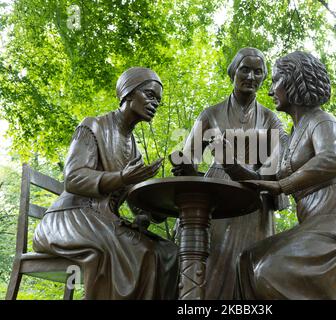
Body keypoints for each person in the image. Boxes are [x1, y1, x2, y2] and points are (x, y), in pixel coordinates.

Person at [236, 51, 336, 299]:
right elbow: (270, 176)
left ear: (294, 82)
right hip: (317, 219)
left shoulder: (322, 120)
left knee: (270, 269)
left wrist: (283, 185)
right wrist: (232, 165)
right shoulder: (293, 134)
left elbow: (333, 159)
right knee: (247, 260)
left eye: (275, 81)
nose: (271, 90)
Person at [33, 67, 179, 299]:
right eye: (150, 95)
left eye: (158, 100)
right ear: (129, 94)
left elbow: (135, 202)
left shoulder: (134, 151)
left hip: (104, 219)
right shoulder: (93, 126)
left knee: (169, 252)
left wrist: (155, 209)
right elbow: (73, 178)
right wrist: (122, 178)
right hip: (70, 217)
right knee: (141, 251)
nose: (155, 103)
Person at [172, 47, 288, 299]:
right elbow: (190, 159)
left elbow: (277, 167)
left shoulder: (271, 120)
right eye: (245, 69)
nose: (251, 76)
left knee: (249, 267)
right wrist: (185, 165)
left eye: (258, 72)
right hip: (216, 194)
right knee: (211, 261)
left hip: (253, 194)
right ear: (233, 72)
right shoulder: (210, 114)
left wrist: (240, 167)